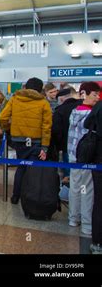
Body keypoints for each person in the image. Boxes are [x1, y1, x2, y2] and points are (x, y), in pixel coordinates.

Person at [0, 77, 52, 205]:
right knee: (34, 170)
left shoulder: (15, 99)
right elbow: (46, 126)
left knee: (21, 167)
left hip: (18, 140)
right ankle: (31, 198)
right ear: (40, 89)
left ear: (26, 87)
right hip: (36, 141)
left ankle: (16, 196)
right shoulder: (43, 102)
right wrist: (45, 146)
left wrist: (9, 130)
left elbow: (3, 117)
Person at [67, 82, 100, 236]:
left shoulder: (74, 111)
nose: (97, 97)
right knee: (87, 189)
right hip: (87, 157)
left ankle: (73, 218)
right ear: (84, 94)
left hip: (73, 154)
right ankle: (87, 224)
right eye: (94, 94)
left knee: (75, 187)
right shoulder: (92, 114)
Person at [83, 100, 102, 254]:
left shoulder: (99, 106)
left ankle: (97, 243)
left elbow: (87, 124)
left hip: (99, 159)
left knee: (99, 201)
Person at [50, 87, 81, 176]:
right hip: (85, 147)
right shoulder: (82, 106)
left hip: (67, 146)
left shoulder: (59, 110)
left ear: (61, 99)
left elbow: (56, 130)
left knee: (69, 174)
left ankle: (69, 188)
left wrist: (58, 146)